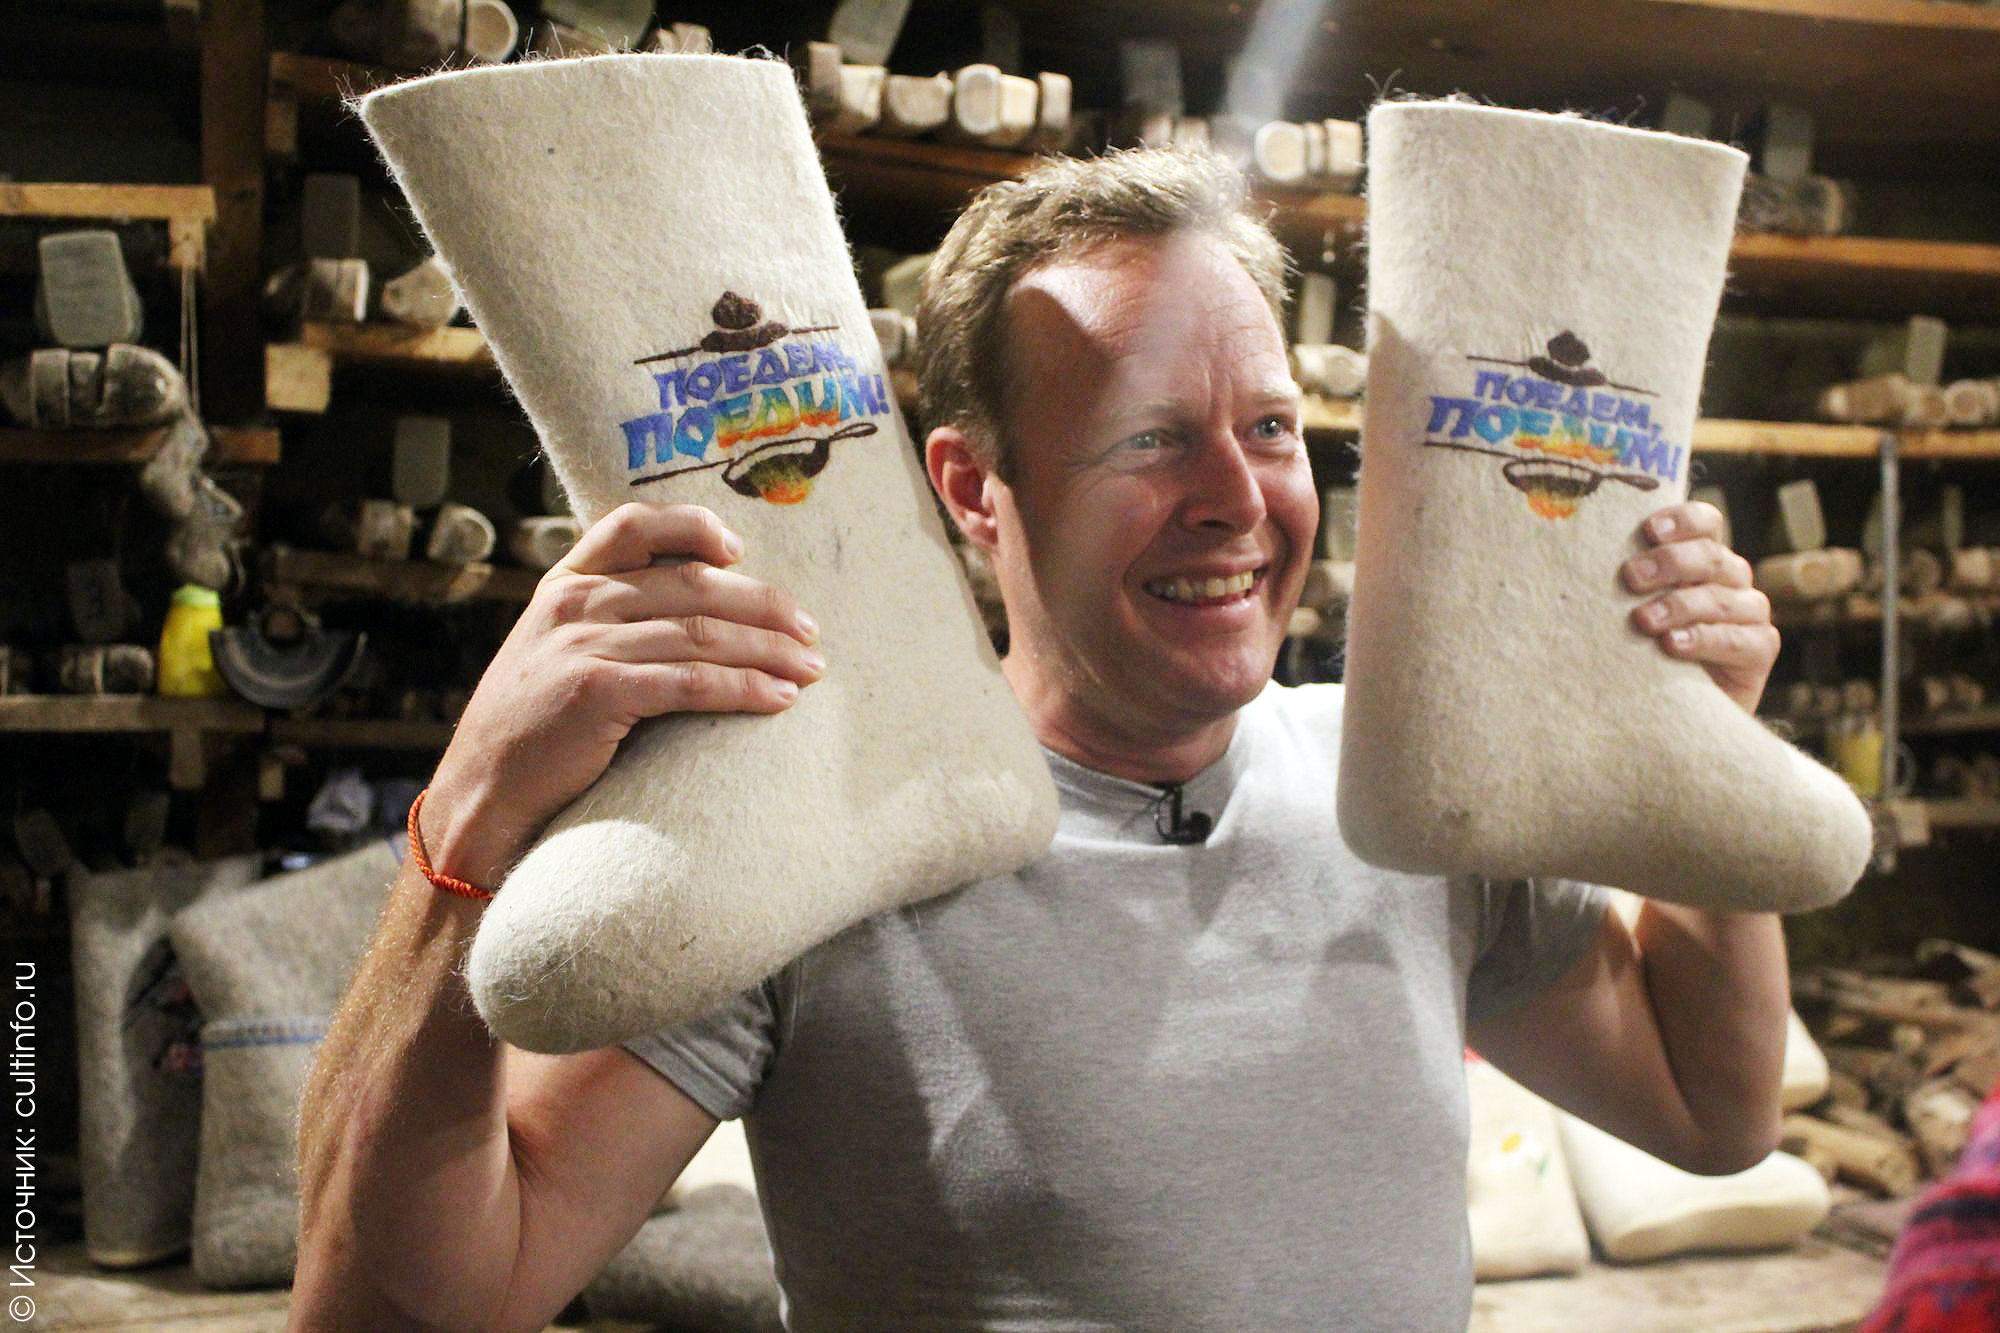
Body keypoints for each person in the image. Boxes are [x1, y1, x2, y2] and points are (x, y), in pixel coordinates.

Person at [293, 149, 1792, 1330]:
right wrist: (473, 819)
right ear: (972, 485)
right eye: (1151, 437)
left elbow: (1711, 1108)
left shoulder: (1403, 790)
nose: (1236, 499)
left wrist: (1703, 755)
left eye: (1270, 428)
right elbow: (404, 1309)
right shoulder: (815, 836)